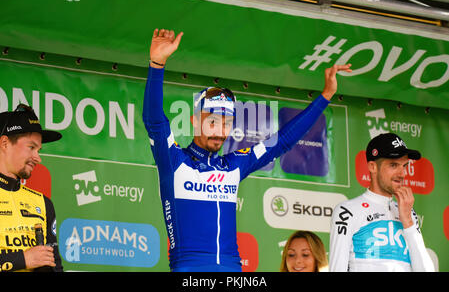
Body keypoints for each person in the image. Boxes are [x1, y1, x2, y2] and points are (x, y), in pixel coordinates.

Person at [143, 28, 352, 272]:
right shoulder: (174, 160)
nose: (220, 130)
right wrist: (157, 64)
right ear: (194, 121)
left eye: (227, 122)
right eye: (212, 121)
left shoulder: (233, 165)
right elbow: (155, 121)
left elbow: (282, 140)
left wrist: (325, 96)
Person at [329, 133, 434, 272]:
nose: (402, 173)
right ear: (372, 167)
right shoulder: (347, 211)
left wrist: (408, 222)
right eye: (393, 165)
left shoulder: (407, 212)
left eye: (404, 166)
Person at [0, 104, 63, 272]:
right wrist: (23, 259)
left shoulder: (43, 203)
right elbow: (28, 259)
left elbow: (55, 266)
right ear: (5, 143)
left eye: (39, 150)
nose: (38, 158)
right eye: (31, 147)